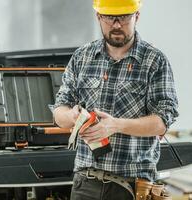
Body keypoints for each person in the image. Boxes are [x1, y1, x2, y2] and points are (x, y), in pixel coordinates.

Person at [53, 0, 179, 199]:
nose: (117, 24)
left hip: (131, 186)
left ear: (137, 16)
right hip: (85, 183)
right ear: (98, 17)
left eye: (124, 17)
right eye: (110, 17)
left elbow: (162, 122)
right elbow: (59, 112)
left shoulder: (154, 61)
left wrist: (115, 126)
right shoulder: (82, 57)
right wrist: (72, 115)